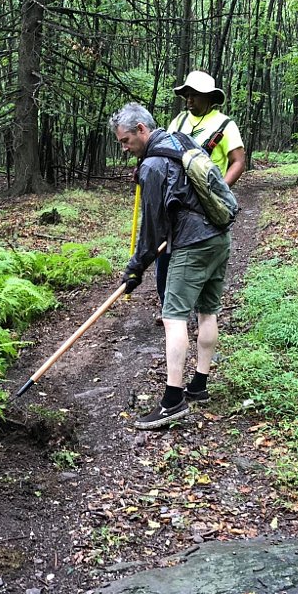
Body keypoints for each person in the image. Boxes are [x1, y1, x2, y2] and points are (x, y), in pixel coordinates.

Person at [110, 102, 232, 431]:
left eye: (125, 141)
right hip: (220, 236)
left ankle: (172, 400)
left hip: (193, 244)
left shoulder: (152, 165)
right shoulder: (181, 141)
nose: (124, 148)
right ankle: (199, 385)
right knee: (208, 311)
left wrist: (135, 268)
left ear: (142, 130)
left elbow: (151, 229)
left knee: (173, 316)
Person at [153, 70, 245, 318]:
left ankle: (194, 308)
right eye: (186, 95)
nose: (189, 99)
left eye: (194, 95)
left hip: (206, 204)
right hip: (175, 200)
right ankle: (168, 307)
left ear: (208, 97)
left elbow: (238, 161)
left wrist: (219, 191)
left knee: (197, 253)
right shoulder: (179, 121)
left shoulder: (225, 125)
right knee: (165, 252)